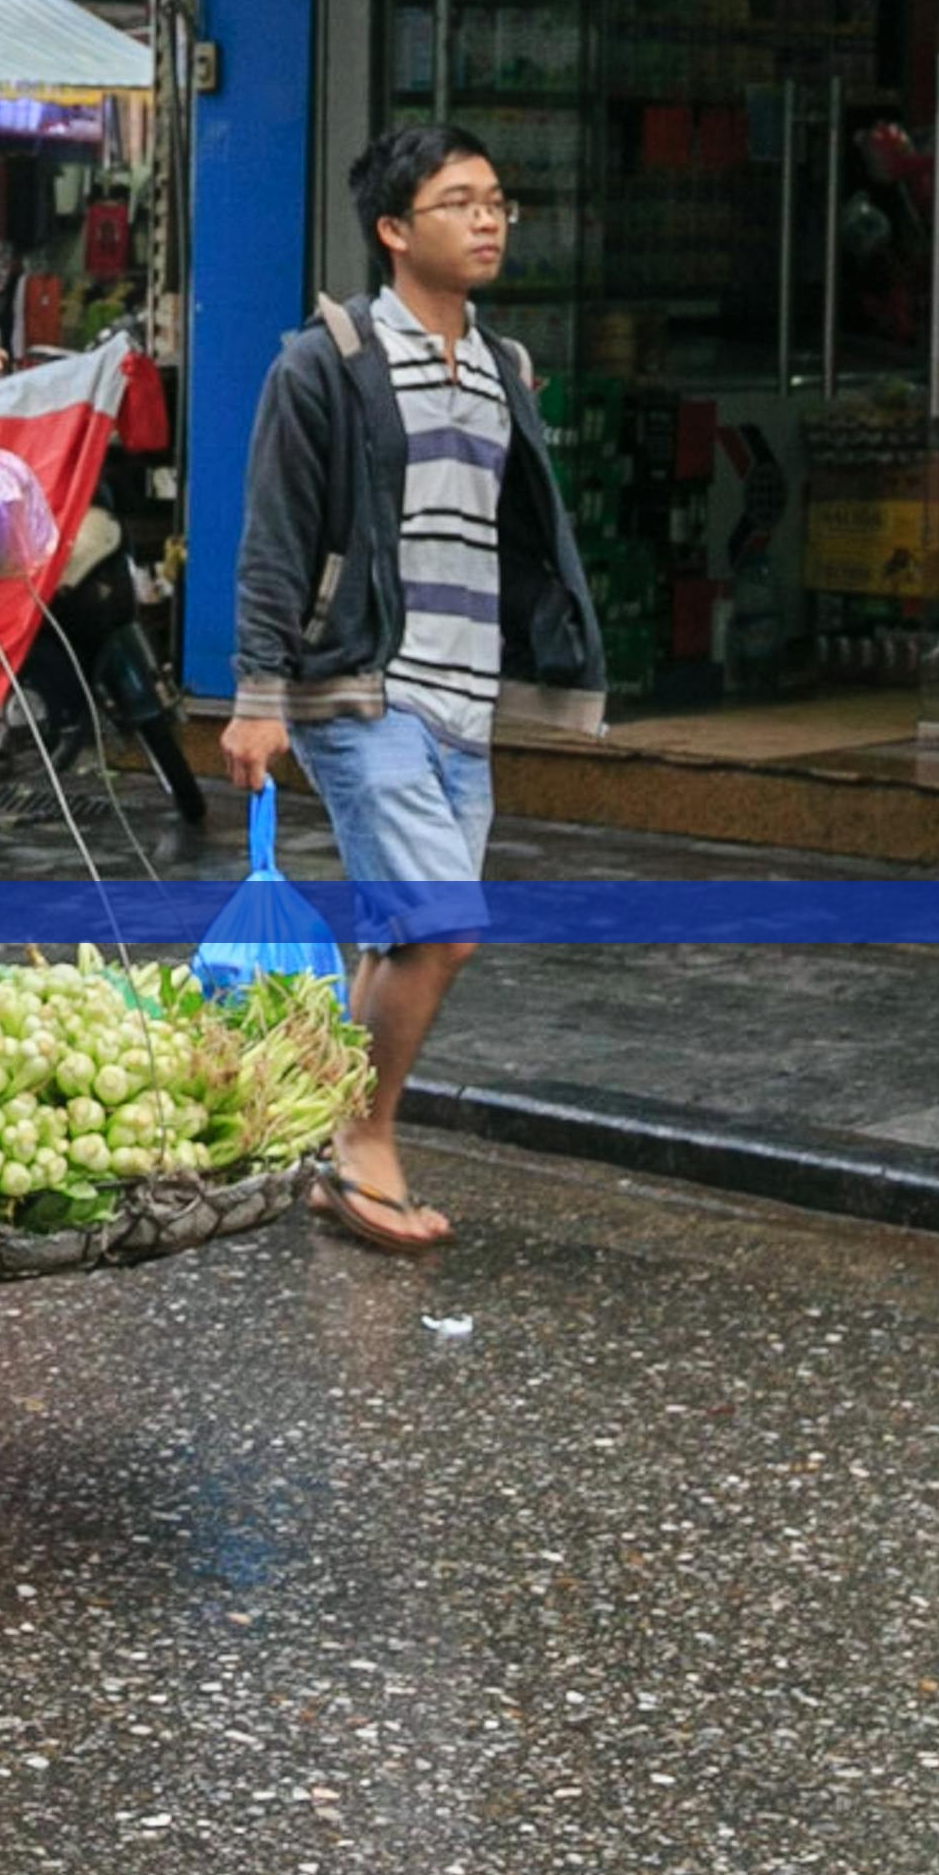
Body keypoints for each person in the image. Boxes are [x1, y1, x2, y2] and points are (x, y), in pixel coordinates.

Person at [217, 125, 605, 1252]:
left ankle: (319, 1132)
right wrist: (257, 694)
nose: (486, 219)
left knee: (404, 934)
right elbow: (275, 538)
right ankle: (359, 1141)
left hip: (464, 701)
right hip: (359, 692)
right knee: (441, 928)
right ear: (393, 230)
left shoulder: (505, 370)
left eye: (496, 201)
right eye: (457, 202)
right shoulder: (324, 362)